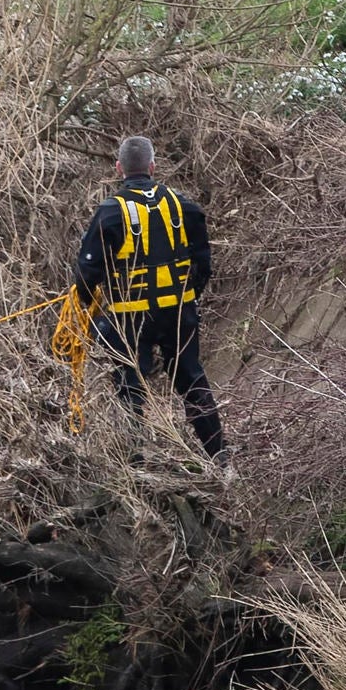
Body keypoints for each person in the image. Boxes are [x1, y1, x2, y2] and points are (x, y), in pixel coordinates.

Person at [73, 136, 227, 462]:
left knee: (131, 388)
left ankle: (139, 464)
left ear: (119, 169)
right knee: (192, 380)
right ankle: (221, 459)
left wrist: (90, 307)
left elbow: (87, 271)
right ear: (153, 167)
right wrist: (188, 298)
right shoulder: (183, 204)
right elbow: (204, 264)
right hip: (178, 314)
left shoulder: (110, 212)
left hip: (129, 319)